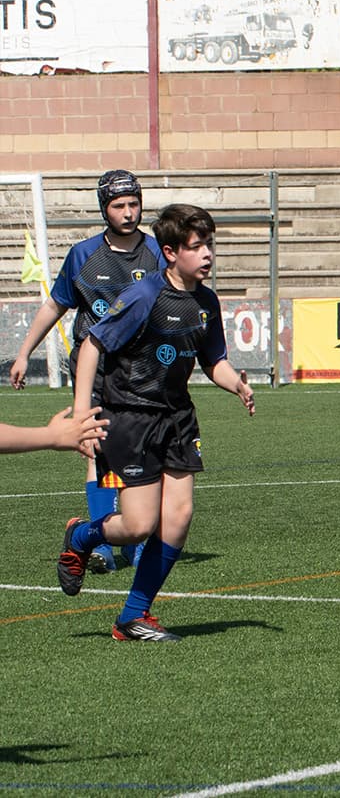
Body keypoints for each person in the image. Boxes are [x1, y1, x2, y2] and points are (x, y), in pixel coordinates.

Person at [54, 204, 256, 642]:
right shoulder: (144, 296)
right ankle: (82, 536)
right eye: (196, 247)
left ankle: (133, 616)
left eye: (209, 245)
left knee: (179, 516)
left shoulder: (205, 301)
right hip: (129, 415)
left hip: (177, 417)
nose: (207, 255)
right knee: (139, 525)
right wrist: (82, 410)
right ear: (169, 252)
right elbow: (91, 346)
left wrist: (235, 384)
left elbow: (214, 360)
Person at [11, 170, 164, 574]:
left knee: (141, 450)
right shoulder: (83, 255)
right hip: (93, 369)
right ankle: (100, 542)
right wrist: (24, 352)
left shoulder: (156, 254)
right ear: (104, 209)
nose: (129, 213)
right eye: (119, 206)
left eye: (134, 204)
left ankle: (132, 536)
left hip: (143, 374)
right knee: (96, 446)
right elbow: (54, 306)